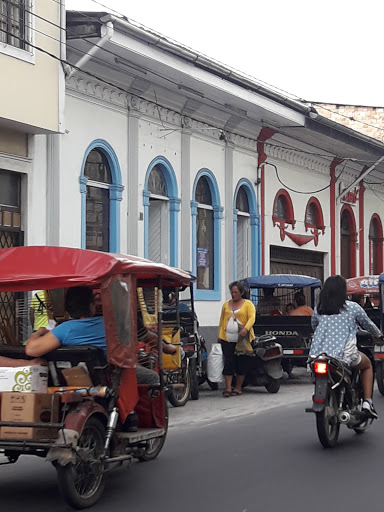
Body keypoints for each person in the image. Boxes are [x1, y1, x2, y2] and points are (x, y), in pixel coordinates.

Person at [26, 286, 176, 385]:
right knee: (152, 377)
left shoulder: (64, 329)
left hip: (75, 378)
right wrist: (169, 348)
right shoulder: (114, 324)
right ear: (92, 305)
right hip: (111, 377)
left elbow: (31, 350)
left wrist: (40, 331)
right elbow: (149, 338)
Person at [309, 275, 382, 419]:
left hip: (317, 356)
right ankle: (367, 402)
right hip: (343, 355)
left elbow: (314, 326)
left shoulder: (319, 309)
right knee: (367, 365)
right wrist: (378, 335)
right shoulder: (353, 308)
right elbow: (368, 325)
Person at [218, 281, 256, 397]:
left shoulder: (248, 304)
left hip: (243, 339)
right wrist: (220, 335)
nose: (233, 294)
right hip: (228, 338)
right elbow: (222, 320)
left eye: (236, 292)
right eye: (232, 292)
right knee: (228, 362)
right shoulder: (226, 305)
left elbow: (252, 318)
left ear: (241, 293)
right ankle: (228, 388)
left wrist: (246, 329)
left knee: (241, 363)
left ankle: (238, 387)